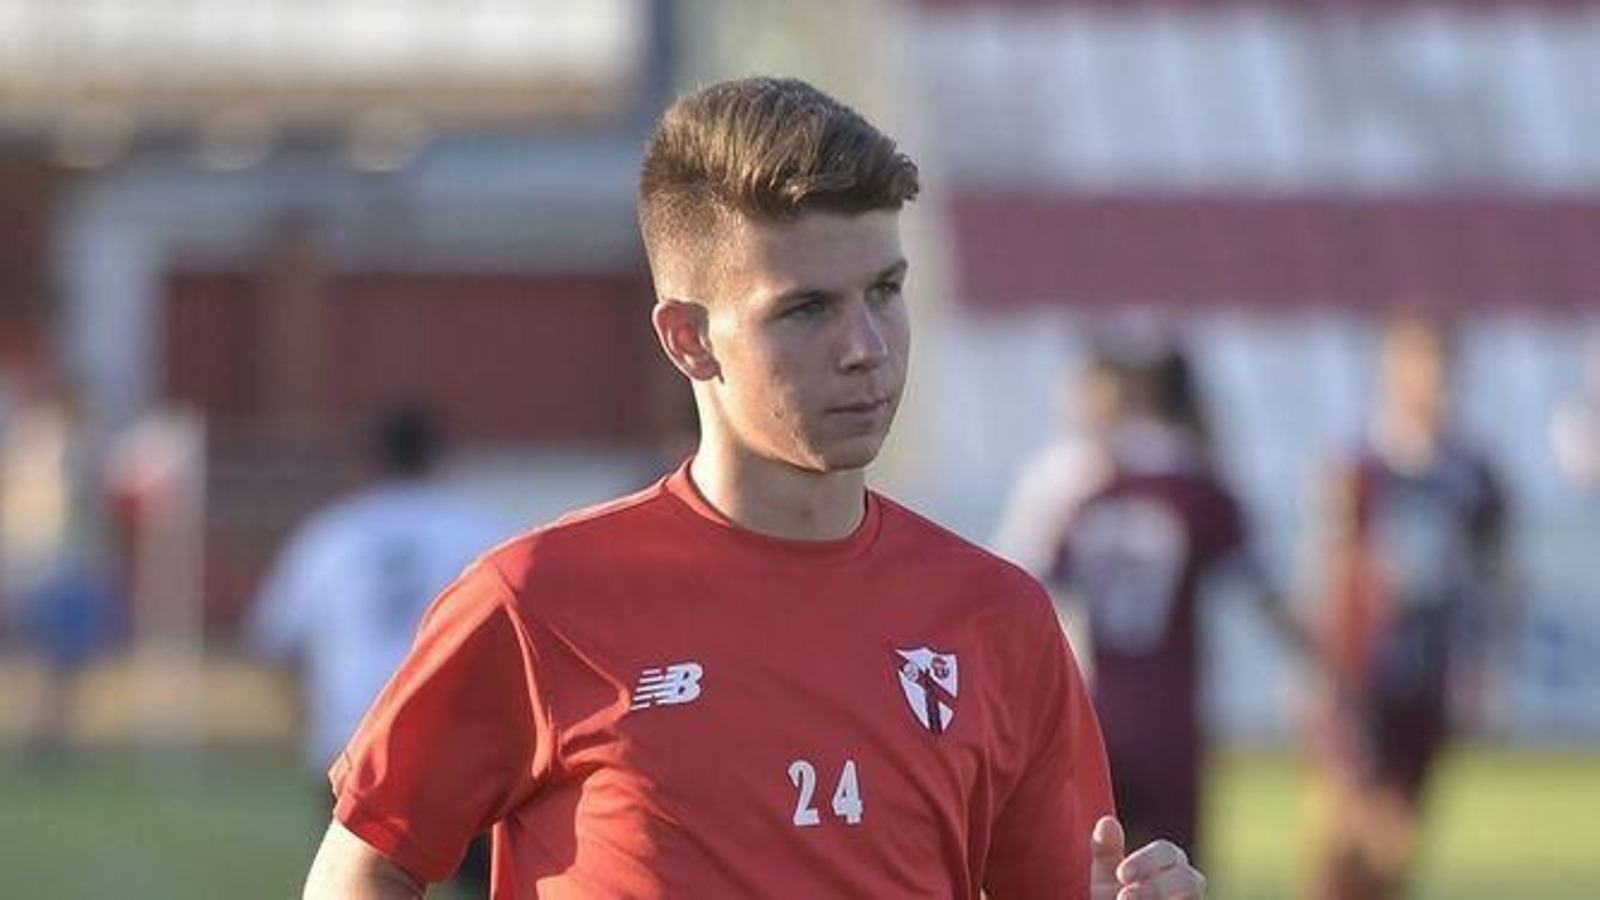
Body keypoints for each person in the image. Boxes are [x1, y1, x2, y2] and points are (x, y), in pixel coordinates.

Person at [303, 76, 1206, 899]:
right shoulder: (536, 602)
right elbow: (363, 868)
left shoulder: (998, 620)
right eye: (806, 308)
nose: (867, 347)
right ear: (688, 339)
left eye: (884, 291)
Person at [1049, 345, 1309, 867]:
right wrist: (1324, 660)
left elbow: (1033, 586)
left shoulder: (1084, 489)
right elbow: (1264, 592)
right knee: (1176, 874)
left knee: (1091, 876)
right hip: (1170, 717)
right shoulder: (1199, 490)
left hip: (1092, 714)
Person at [248, 403, 505, 893]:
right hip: (459, 740)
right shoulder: (481, 529)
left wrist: (307, 722)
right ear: (439, 458)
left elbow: (276, 642)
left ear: (369, 460)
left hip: (353, 743)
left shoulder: (331, 533)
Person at [1308, 314, 1509, 900]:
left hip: (1429, 672)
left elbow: (1491, 580)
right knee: (1351, 832)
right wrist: (1317, 667)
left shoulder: (1474, 475)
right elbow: (1328, 565)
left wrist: (1482, 665)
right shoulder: (1358, 466)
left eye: (1443, 368)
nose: (1433, 382)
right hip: (1361, 669)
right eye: (1420, 367)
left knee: (1399, 838)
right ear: (1393, 374)